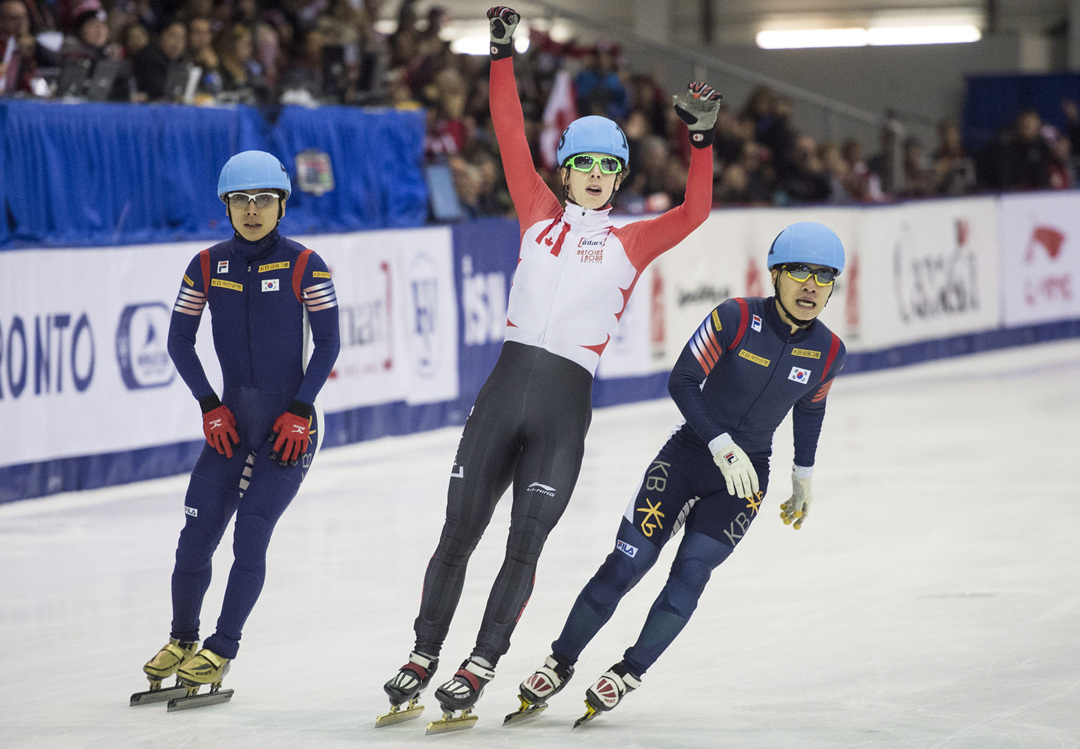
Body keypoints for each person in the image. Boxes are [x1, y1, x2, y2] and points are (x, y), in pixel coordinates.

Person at [378, 5, 721, 729]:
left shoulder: (632, 242)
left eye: (608, 167)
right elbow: (506, 132)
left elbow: (694, 212)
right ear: (564, 170)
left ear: (619, 178)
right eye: (583, 163)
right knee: (458, 532)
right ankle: (422, 653)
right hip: (504, 392)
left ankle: (480, 661)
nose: (595, 176)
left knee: (524, 541)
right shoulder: (536, 210)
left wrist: (700, 140)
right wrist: (501, 54)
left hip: (563, 406)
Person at [512, 221, 847, 726]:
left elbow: (811, 410)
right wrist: (720, 443)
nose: (811, 286)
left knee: (691, 573)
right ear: (774, 275)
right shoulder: (736, 318)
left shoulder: (829, 351)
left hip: (742, 481)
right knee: (625, 566)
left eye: (823, 277)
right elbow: (684, 380)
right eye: (799, 272)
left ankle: (628, 671)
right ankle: (560, 662)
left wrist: (803, 475)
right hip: (688, 458)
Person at [132, 151, 340, 708]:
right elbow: (178, 341)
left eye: (263, 200)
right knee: (194, 537)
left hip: (287, 430)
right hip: (229, 424)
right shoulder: (205, 264)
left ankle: (223, 646)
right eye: (241, 201)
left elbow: (329, 345)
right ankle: (183, 639)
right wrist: (208, 405)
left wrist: (300, 409)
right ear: (226, 205)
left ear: (281, 205)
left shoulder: (306, 265)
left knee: (251, 531)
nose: (252, 211)